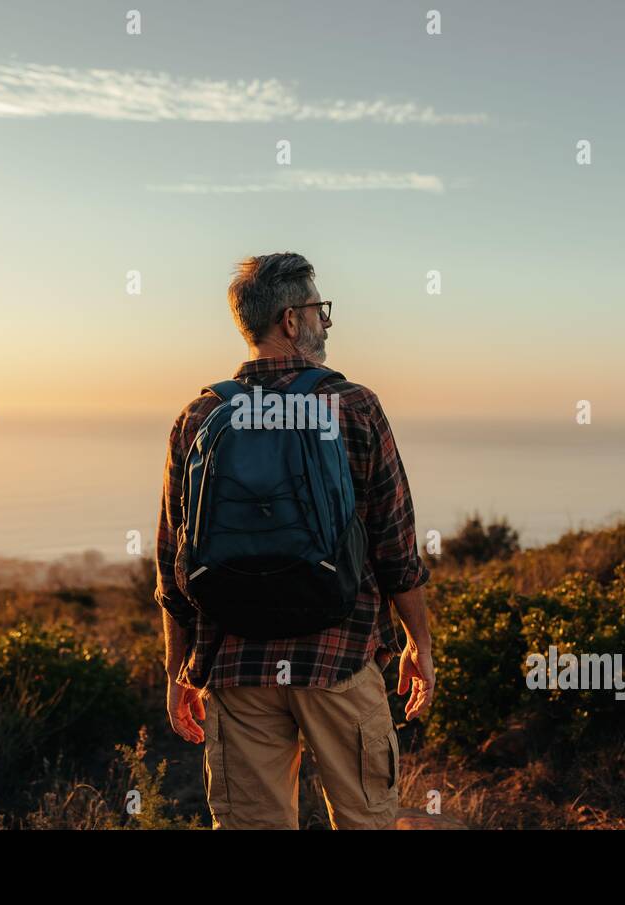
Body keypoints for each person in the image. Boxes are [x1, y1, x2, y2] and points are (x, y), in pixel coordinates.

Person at [154, 252, 434, 830]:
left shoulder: (200, 416)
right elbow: (395, 544)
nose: (326, 322)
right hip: (340, 659)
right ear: (289, 320)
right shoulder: (353, 406)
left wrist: (178, 669)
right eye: (318, 309)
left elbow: (172, 562)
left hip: (235, 665)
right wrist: (418, 643)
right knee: (366, 820)